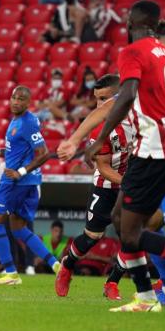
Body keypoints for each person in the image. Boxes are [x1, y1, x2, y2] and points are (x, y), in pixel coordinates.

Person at [81, 1, 165, 312]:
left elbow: (124, 96)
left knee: (132, 228)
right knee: (121, 220)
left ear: (133, 21)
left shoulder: (134, 52)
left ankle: (149, 295)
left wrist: (98, 139)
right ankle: (148, 296)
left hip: (154, 149)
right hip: (163, 146)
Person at [55, 74, 130, 298]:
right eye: (97, 100)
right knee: (92, 237)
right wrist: (129, 182)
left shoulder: (138, 119)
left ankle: (112, 282)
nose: (101, 106)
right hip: (106, 185)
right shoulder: (99, 130)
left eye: (105, 99)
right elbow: (104, 167)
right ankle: (68, 264)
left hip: (132, 186)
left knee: (132, 237)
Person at [0, 86, 57, 285]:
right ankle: (57, 265)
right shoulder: (16, 121)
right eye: (14, 97)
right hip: (24, 181)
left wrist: (20, 172)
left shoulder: (28, 122)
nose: (16, 101)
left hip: (15, 181)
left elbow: (43, 153)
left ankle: (11, 273)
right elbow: (15, 150)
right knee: (18, 228)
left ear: (28, 103)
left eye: (21, 99)